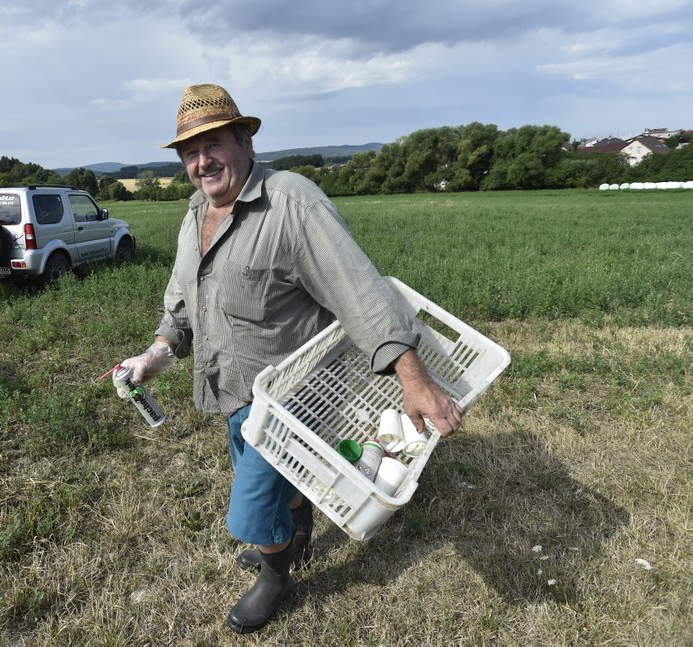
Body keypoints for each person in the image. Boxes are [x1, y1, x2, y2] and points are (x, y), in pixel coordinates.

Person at [115, 83, 463, 634]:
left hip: (291, 398)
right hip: (230, 388)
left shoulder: (291, 202)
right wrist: (157, 352)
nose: (201, 161)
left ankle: (276, 580)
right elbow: (183, 301)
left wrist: (412, 375)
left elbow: (361, 292)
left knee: (251, 512)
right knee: (283, 483)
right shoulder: (194, 211)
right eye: (189, 152)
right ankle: (295, 540)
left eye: (214, 145)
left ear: (245, 143)